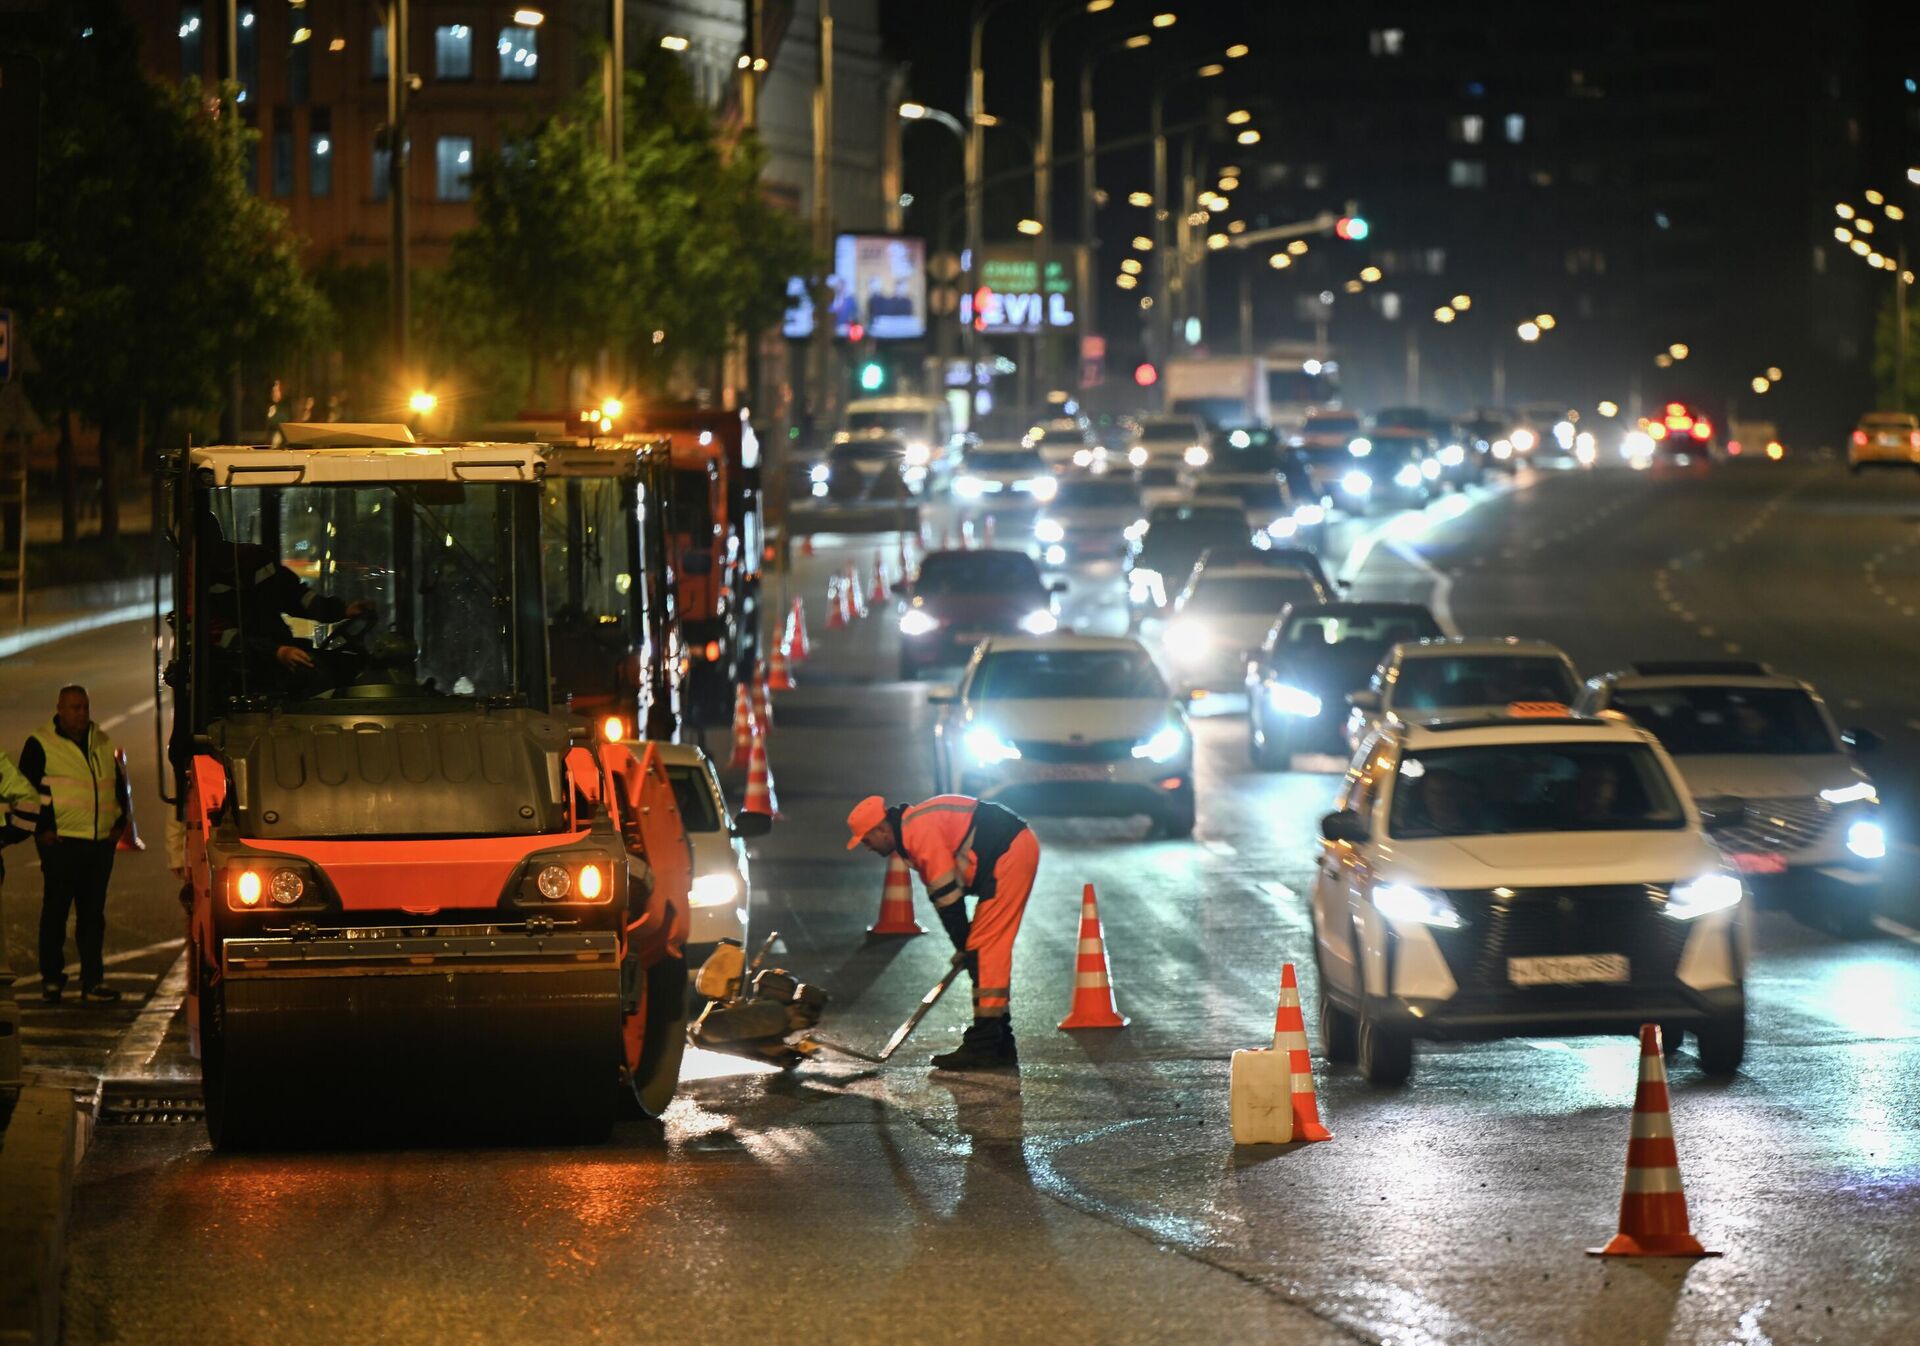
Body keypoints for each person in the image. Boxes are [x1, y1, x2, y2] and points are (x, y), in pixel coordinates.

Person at [847, 793, 1040, 1070]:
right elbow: (945, 899)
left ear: (881, 829)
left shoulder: (917, 832)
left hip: (1009, 853)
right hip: (1009, 851)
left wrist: (965, 946)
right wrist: (964, 946)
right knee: (981, 951)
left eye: (867, 840)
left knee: (984, 951)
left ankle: (985, 1046)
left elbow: (948, 898)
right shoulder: (910, 833)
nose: (868, 848)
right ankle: (999, 1043)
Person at [19, 686, 129, 1004]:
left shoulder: (101, 740)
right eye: (74, 707)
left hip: (98, 844)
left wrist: (118, 824)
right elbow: (26, 792)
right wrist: (42, 830)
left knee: (92, 917)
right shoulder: (41, 744)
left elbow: (117, 785)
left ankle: (92, 982)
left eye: (85, 707)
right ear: (60, 709)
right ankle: (52, 980)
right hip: (61, 843)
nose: (81, 713)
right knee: (56, 913)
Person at [197, 506, 374, 698]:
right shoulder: (195, 583)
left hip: (278, 650)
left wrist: (343, 611)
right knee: (315, 678)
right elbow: (223, 637)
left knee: (346, 665)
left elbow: (297, 597)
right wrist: (277, 652)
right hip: (238, 672)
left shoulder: (252, 559)